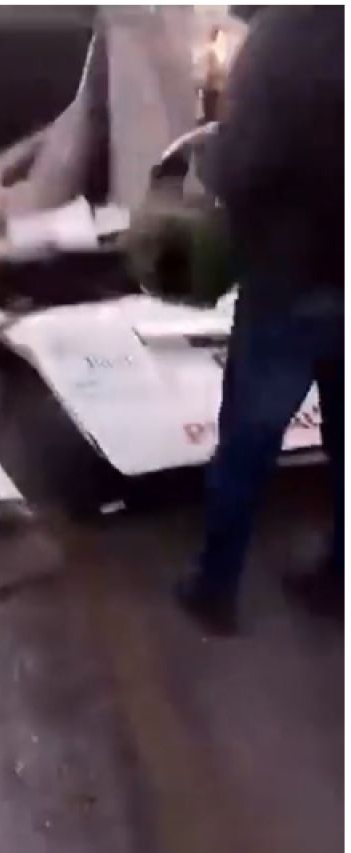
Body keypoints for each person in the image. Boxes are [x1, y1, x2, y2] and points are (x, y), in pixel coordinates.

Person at [176, 7, 344, 635]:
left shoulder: (281, 43)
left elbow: (244, 163)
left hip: (291, 277)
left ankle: (214, 589)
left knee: (248, 440)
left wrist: (209, 155)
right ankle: (338, 581)